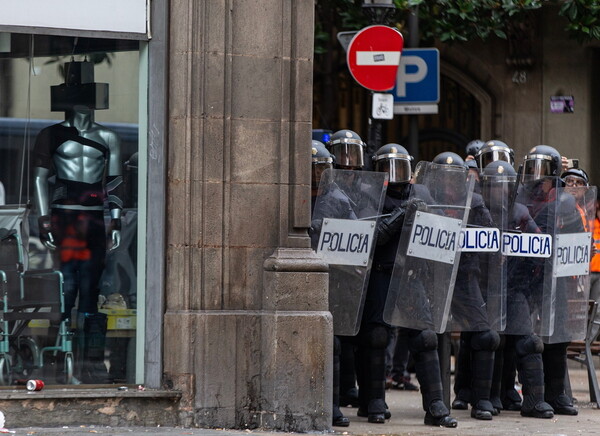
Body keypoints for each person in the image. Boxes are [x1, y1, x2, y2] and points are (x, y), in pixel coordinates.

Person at [32, 61, 123, 384]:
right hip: (65, 215)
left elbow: (114, 185)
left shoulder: (108, 137)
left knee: (91, 289)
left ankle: (93, 361)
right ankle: (57, 357)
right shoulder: (52, 135)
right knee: (67, 287)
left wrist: (115, 223)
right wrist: (44, 220)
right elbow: (40, 179)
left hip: (95, 218)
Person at [361, 143, 457, 427]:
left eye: (399, 167)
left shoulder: (422, 193)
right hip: (381, 272)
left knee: (425, 338)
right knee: (376, 337)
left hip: (411, 276)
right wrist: (400, 215)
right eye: (386, 168)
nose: (393, 175)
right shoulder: (369, 194)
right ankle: (374, 400)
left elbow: (439, 235)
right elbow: (370, 238)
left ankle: (436, 405)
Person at [309, 139, 350, 427]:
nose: (317, 175)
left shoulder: (338, 200)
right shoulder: (291, 197)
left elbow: (355, 238)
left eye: (322, 169)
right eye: (313, 169)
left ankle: (333, 405)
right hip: (299, 274)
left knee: (333, 342)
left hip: (332, 277)